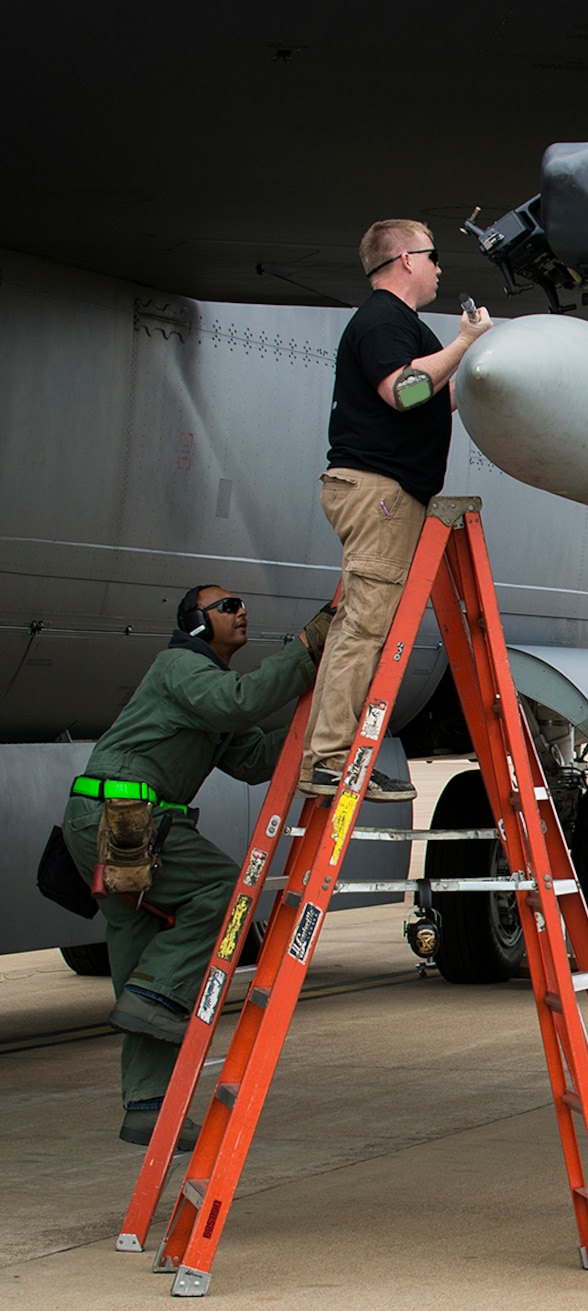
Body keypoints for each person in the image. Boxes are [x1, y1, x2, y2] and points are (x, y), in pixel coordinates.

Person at [61, 587, 327, 1148]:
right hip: (122, 815)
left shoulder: (208, 693)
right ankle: (157, 1000)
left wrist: (323, 734)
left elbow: (254, 759)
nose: (241, 611)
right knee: (225, 890)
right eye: (227, 605)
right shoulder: (181, 665)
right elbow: (239, 701)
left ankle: (146, 1107)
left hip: (116, 822)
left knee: (141, 976)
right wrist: (306, 649)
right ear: (197, 624)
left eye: (240, 603)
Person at [300, 218, 491, 801]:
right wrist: (462, 345)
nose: (439, 268)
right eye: (433, 256)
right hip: (380, 494)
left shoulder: (394, 324)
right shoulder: (385, 319)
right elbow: (405, 392)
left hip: (384, 492)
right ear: (406, 259)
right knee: (364, 627)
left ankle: (333, 753)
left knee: (365, 622)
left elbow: (429, 398)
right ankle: (329, 760)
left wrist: (478, 371)